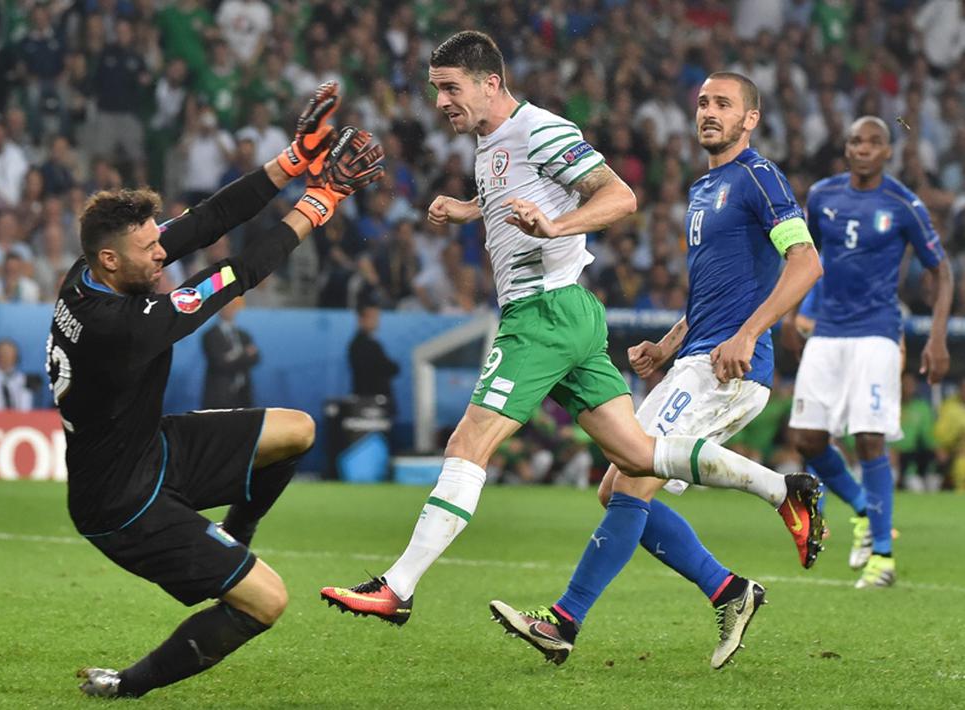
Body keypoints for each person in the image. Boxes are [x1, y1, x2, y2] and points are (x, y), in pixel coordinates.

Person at [320, 34, 824, 660]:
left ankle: (406, 588)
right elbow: (533, 199)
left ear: (490, 83)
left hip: (547, 312)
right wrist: (472, 210)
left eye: (451, 88)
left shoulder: (542, 129)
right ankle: (751, 548)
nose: (441, 101)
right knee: (630, 467)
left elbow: (619, 196)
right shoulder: (497, 146)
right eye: (436, 90)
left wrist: (557, 227)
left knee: (470, 442)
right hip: (585, 318)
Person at [52, 83, 384, 699]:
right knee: (268, 601)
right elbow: (235, 275)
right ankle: (127, 686)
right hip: (121, 506)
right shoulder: (120, 327)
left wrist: (292, 158)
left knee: (296, 431)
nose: (162, 255)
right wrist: (321, 200)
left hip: (151, 450)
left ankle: (237, 536)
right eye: (150, 250)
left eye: (158, 241)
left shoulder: (93, 273)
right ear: (108, 259)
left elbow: (205, 222)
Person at [491, 71, 823, 670]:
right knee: (614, 488)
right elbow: (713, 294)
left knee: (632, 483)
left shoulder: (758, 176)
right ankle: (731, 591)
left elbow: (805, 262)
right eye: (702, 103)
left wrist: (746, 334)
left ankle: (563, 622)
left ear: (750, 118)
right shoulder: (705, 187)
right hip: (696, 356)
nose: (709, 112)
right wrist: (670, 343)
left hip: (729, 364)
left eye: (724, 104)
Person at [787, 116, 953, 589]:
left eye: (874, 142)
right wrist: (790, 313)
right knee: (806, 438)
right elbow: (806, 257)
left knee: (869, 440)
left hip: (877, 332)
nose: (863, 148)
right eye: (856, 141)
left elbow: (941, 272)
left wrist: (937, 337)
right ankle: (863, 509)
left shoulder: (903, 203)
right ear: (846, 148)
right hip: (827, 332)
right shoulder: (821, 196)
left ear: (887, 152)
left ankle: (883, 557)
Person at [201, 296, 259, 409]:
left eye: (232, 307)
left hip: (243, 393)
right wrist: (244, 355)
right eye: (226, 307)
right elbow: (219, 363)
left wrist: (232, 357)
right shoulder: (210, 335)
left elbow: (256, 358)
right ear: (219, 309)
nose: (230, 310)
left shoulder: (243, 335)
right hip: (220, 394)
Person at [348, 301, 399, 408]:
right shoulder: (363, 345)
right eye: (373, 317)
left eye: (377, 317)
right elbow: (388, 367)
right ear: (361, 320)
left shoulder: (364, 343)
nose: (376, 321)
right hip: (371, 403)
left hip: (371, 401)